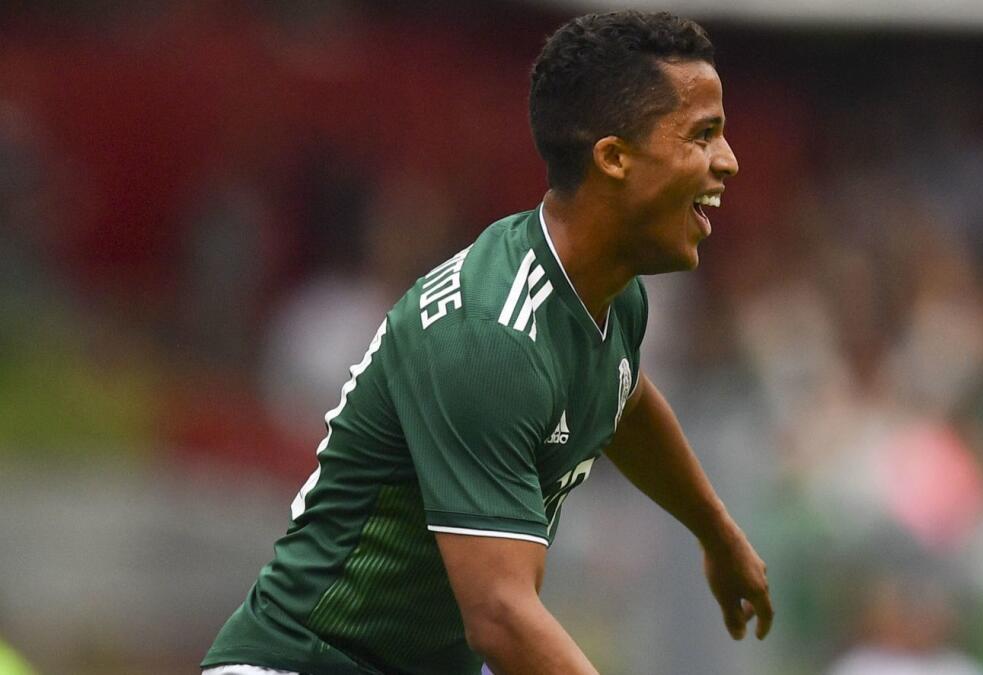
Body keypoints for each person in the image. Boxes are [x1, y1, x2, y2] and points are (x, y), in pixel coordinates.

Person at [201, 10, 772, 675]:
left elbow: (624, 397)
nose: (728, 162)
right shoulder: (490, 339)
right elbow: (500, 616)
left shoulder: (611, 290)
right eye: (703, 135)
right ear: (614, 158)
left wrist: (716, 530)